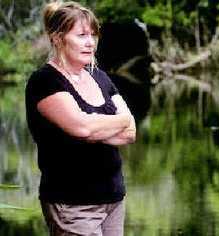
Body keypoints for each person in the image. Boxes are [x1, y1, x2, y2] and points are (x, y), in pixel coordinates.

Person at [25, 1, 136, 235]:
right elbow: (83, 128)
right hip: (73, 204)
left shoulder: (99, 76)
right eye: (82, 35)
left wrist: (96, 128)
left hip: (114, 199)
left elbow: (130, 131)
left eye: (93, 35)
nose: (90, 42)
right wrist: (109, 123)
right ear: (58, 38)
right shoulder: (45, 81)